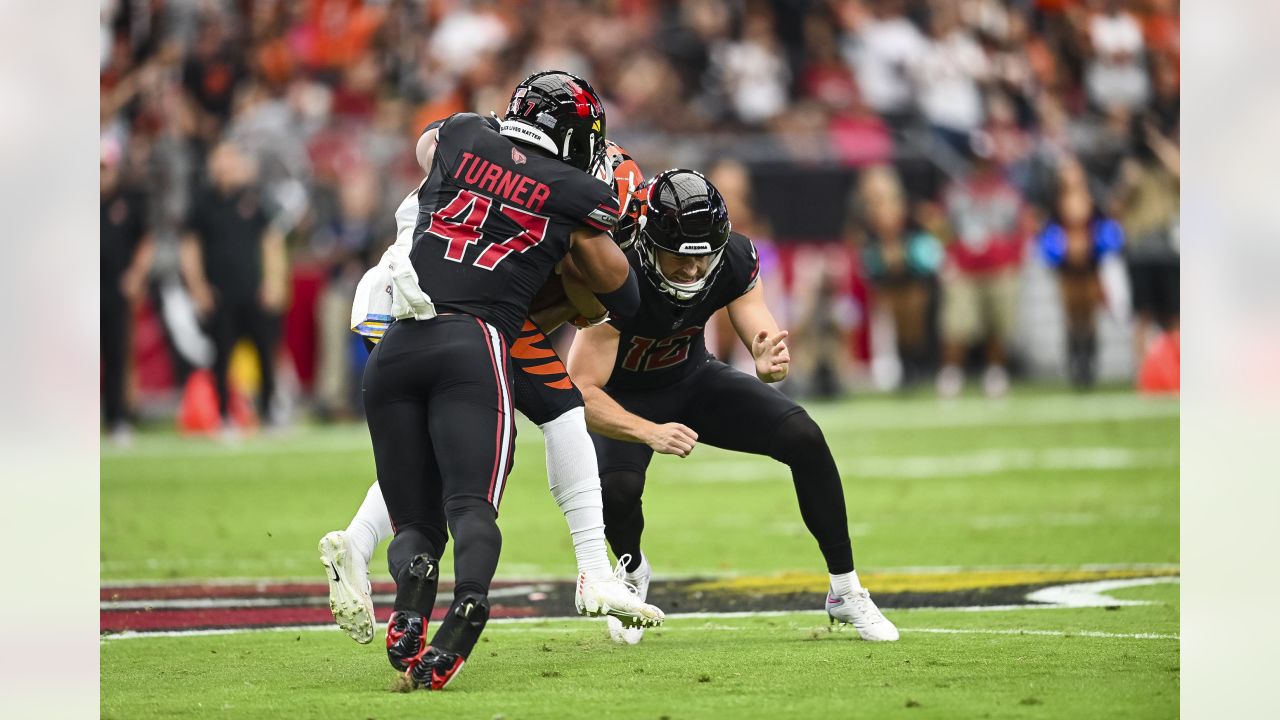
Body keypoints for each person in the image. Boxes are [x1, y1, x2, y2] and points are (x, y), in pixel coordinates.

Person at [359, 71, 656, 691]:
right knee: (470, 504)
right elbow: (621, 294)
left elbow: (426, 149)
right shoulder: (574, 188)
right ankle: (468, 608)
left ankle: (408, 598)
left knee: (415, 520)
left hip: (396, 341)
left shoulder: (464, 133)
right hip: (477, 342)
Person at [567, 169, 899, 645]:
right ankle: (632, 572)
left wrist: (766, 355)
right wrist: (648, 431)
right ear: (648, 243)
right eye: (678, 258)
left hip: (690, 376)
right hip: (621, 395)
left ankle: (845, 589)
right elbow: (580, 391)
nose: (691, 271)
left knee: (804, 437)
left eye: (702, 258)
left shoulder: (732, 258)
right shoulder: (619, 273)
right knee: (618, 489)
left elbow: (756, 325)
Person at [179, 141, 288, 431]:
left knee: (266, 353)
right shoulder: (201, 202)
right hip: (219, 294)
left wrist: (274, 282)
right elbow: (190, 247)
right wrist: (199, 287)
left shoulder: (254, 199)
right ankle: (224, 415)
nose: (226, 166)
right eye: (221, 160)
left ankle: (269, 413)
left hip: (254, 291)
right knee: (222, 357)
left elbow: (271, 242)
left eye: (231, 160)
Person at [1036, 162, 1124, 388]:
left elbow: (1106, 227)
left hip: (1090, 266)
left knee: (1089, 317)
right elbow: (1047, 231)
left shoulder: (1093, 203)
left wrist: (1094, 248)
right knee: (1072, 317)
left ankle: (1089, 362)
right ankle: (1075, 362)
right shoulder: (1056, 205)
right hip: (1068, 268)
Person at [101, 137, 154, 444]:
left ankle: (118, 419)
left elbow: (146, 239)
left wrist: (136, 273)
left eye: (104, 168)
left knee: (116, 355)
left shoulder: (127, 202)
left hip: (115, 288)